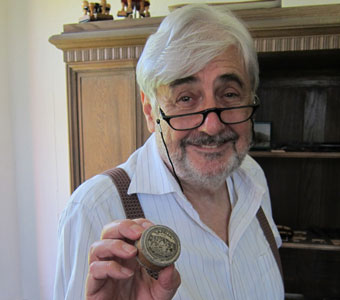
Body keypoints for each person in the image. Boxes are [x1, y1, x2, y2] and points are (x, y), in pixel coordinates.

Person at [54, 4, 284, 300]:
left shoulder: (252, 177)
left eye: (229, 94)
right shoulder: (94, 211)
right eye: (185, 98)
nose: (212, 126)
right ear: (151, 112)